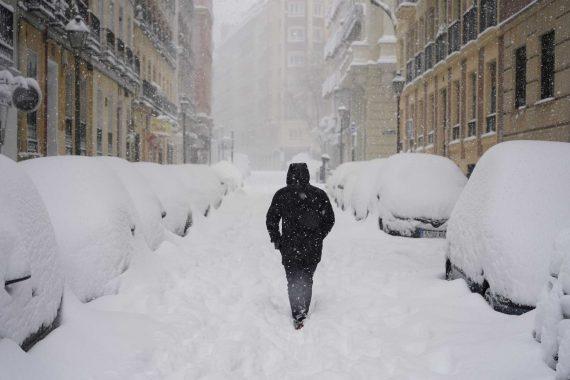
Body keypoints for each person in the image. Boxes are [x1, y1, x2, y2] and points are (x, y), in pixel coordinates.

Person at [266, 163, 335, 329]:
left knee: (293, 279)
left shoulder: (282, 195)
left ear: (289, 175)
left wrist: (277, 240)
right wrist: (319, 236)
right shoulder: (319, 195)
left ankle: (298, 312)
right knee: (307, 277)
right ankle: (301, 309)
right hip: (312, 246)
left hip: (289, 246)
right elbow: (329, 220)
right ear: (307, 175)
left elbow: (271, 220)